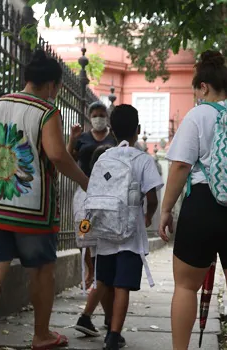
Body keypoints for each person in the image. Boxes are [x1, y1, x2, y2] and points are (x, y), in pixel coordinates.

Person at [0, 49, 89, 350]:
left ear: (26, 78)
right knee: (41, 269)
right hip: (30, 208)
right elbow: (58, 156)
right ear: (53, 85)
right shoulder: (47, 111)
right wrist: (87, 182)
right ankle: (41, 335)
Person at [158, 50, 227, 350]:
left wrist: (166, 209)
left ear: (203, 87)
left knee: (185, 286)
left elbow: (180, 166)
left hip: (207, 203)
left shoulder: (199, 114)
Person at [97, 104, 163, 350]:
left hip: (105, 231)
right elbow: (153, 197)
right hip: (130, 233)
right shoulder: (143, 159)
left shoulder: (104, 157)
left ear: (111, 130)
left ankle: (108, 322)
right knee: (122, 284)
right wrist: (148, 217)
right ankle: (114, 335)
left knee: (105, 279)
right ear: (138, 130)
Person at [68, 101, 117, 289]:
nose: (99, 119)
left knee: (103, 231)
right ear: (90, 117)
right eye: (95, 115)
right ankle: (89, 269)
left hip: (108, 190)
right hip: (85, 189)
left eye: (102, 115)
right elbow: (69, 158)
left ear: (107, 117)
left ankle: (100, 272)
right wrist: (72, 139)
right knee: (84, 230)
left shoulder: (113, 137)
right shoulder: (83, 138)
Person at [74, 145, 115, 338]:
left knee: (103, 277)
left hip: (91, 236)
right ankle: (85, 316)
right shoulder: (103, 182)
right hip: (102, 236)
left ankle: (109, 318)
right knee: (104, 278)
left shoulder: (86, 184)